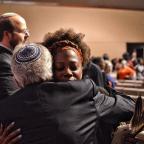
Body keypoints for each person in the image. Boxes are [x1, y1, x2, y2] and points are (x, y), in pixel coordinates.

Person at [0, 43, 134, 144]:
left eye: (73, 66)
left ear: (15, 80)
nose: (68, 72)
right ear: (50, 70)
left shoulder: (5, 109)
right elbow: (129, 106)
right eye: (60, 67)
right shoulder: (83, 92)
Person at [0, 12, 29, 100]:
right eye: (23, 31)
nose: (27, 35)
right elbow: (11, 99)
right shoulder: (3, 63)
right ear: (7, 34)